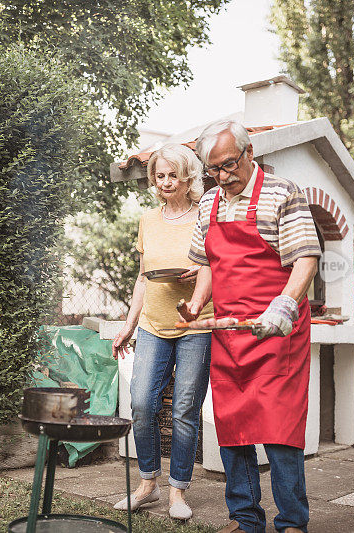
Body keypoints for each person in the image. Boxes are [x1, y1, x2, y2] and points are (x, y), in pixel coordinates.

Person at [179, 120, 321, 533]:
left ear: (249, 154)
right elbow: (207, 263)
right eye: (214, 170)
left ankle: (292, 520)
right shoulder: (209, 202)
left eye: (228, 166)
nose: (223, 177)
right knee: (233, 427)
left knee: (279, 428)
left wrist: (283, 305)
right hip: (230, 332)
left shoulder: (283, 192)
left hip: (277, 329)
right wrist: (196, 303)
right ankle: (245, 519)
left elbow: (306, 259)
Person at [112, 143, 214, 521]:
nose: (165, 182)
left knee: (186, 408)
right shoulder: (148, 220)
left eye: (173, 175)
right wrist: (128, 325)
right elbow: (143, 277)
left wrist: (203, 272)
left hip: (196, 322)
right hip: (153, 324)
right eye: (160, 176)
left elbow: (221, 267)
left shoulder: (207, 216)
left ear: (188, 178)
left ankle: (178, 492)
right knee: (142, 404)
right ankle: (147, 483)